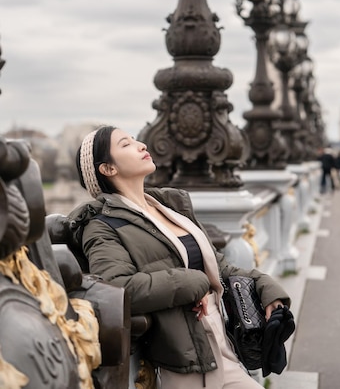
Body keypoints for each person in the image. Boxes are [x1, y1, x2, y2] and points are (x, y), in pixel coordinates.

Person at [68, 126, 292, 388]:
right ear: (108, 169)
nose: (141, 145)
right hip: (187, 365)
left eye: (135, 140)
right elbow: (118, 288)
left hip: (224, 348)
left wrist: (268, 289)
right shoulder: (101, 225)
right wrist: (193, 282)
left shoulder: (169, 207)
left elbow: (219, 268)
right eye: (126, 144)